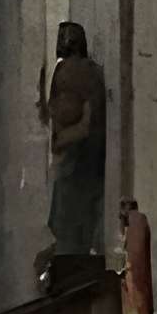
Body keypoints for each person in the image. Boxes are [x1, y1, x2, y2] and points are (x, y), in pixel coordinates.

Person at [39, 21, 108, 261]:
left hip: (78, 171)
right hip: (81, 171)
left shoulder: (69, 73)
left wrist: (71, 132)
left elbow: (72, 131)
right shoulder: (89, 73)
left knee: (71, 238)